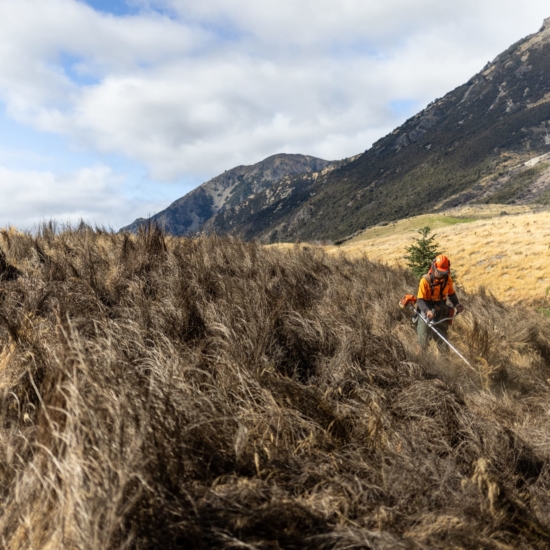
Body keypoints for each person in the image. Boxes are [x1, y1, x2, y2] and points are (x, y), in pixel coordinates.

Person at [416, 254, 464, 349]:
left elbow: (451, 294)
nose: (441, 274)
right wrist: (427, 311)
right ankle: (421, 361)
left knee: (443, 344)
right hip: (426, 311)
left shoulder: (448, 280)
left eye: (443, 272)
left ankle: (445, 362)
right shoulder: (425, 280)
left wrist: (457, 304)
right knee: (422, 342)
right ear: (433, 267)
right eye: (439, 272)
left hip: (441, 312)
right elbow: (420, 300)